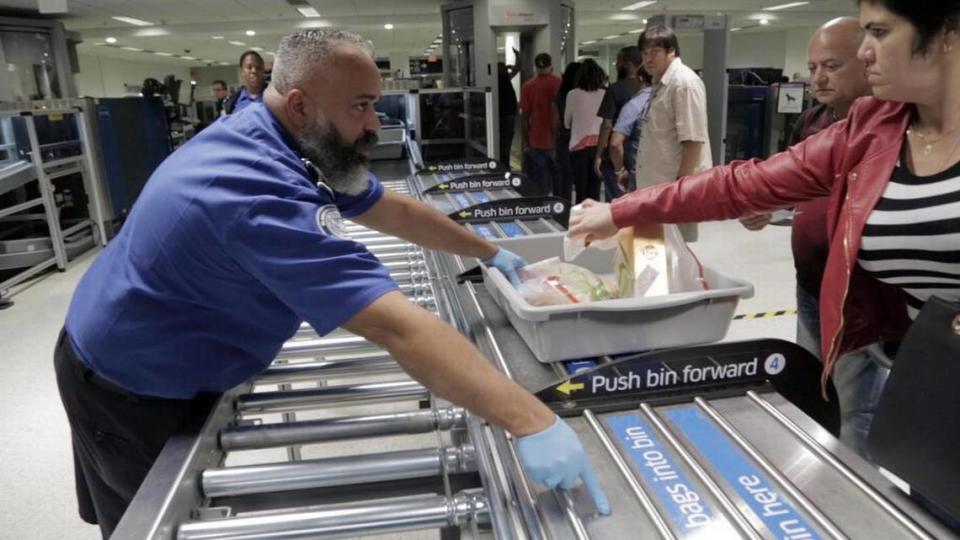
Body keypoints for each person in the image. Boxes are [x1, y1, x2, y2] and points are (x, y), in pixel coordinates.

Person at [55, 29, 610, 538]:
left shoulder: (290, 139)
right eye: (362, 106)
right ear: (300, 104)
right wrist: (530, 419)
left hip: (170, 338)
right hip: (127, 381)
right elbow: (393, 326)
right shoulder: (252, 188)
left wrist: (490, 251)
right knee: (146, 522)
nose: (375, 122)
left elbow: (388, 208)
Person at [569, 0, 960, 461]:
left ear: (948, 32)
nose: (866, 51)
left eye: (879, 32)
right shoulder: (875, 126)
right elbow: (745, 183)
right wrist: (624, 210)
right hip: (934, 375)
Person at [739, 17, 878, 456]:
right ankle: (818, 467)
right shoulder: (815, 120)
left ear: (867, 61)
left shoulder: (888, 128)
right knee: (814, 383)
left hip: (858, 295)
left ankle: (853, 493)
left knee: (853, 403)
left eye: (831, 66)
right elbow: (795, 184)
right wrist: (771, 207)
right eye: (813, 66)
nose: (817, 77)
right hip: (809, 284)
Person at [635, 24, 712, 241]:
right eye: (645, 53)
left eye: (655, 52)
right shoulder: (661, 83)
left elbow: (692, 141)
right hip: (658, 189)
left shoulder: (683, 83)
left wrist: (680, 189)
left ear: (672, 51)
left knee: (674, 256)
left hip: (673, 192)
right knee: (656, 252)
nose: (648, 59)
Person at [593, 46, 645, 200]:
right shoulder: (651, 91)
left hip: (617, 156)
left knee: (617, 201)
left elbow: (607, 125)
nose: (616, 65)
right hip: (641, 154)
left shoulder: (615, 90)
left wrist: (599, 154)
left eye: (618, 61)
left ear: (628, 64)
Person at [564, 58, 607, 203]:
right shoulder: (605, 94)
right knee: (595, 189)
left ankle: (580, 221)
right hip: (599, 146)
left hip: (578, 146)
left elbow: (566, 123)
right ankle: (594, 221)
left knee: (580, 189)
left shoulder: (572, 94)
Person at [519, 53, 562, 196]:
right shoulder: (560, 83)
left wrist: (525, 140)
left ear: (536, 67)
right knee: (559, 181)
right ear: (551, 66)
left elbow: (525, 116)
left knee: (539, 184)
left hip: (536, 140)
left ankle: (541, 210)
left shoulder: (527, 86)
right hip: (557, 140)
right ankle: (560, 211)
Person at [608, 68, 654, 194]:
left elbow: (615, 143)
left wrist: (620, 170)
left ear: (640, 79)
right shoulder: (666, 100)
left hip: (639, 171)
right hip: (666, 171)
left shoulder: (634, 105)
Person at [552, 61, 582, 202]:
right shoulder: (583, 95)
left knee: (565, 179)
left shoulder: (560, 95)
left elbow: (556, 122)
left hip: (564, 139)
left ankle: (564, 209)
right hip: (583, 141)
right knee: (582, 180)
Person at [225, 50, 267, 115]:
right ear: (242, 71)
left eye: (258, 67)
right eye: (249, 67)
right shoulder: (233, 102)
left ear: (263, 69)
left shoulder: (274, 97)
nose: (254, 71)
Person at [497, 52, 520, 168]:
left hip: (498, 116)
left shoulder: (495, 82)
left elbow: (516, 69)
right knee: (506, 144)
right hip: (509, 116)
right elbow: (517, 68)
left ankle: (501, 166)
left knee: (500, 144)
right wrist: (517, 56)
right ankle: (505, 166)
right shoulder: (506, 80)